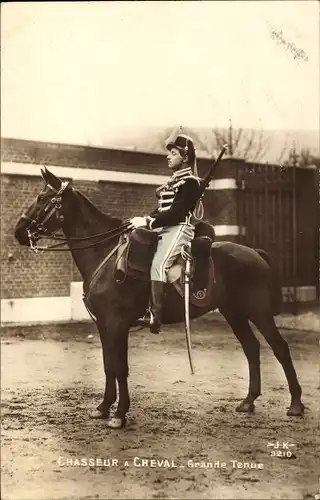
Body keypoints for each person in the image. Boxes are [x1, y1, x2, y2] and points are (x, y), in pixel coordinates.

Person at [128, 133, 201, 334]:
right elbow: (161, 210)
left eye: (173, 153)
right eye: (169, 153)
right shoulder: (172, 182)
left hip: (179, 229)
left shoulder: (191, 183)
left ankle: (155, 315)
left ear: (185, 157)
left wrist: (150, 222)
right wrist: (142, 220)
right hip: (163, 227)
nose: (168, 156)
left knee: (158, 265)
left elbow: (177, 213)